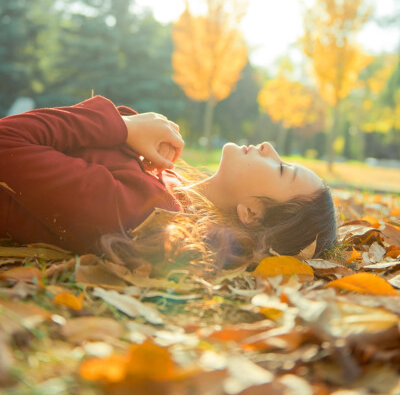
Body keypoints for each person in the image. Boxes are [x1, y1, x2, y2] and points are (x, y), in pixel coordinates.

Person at [0, 95, 336, 275]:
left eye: (281, 169)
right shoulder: (169, 187)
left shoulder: (139, 213)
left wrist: (124, 127)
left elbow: (6, 140)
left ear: (251, 213)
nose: (269, 148)